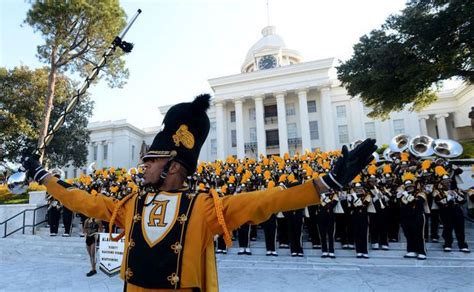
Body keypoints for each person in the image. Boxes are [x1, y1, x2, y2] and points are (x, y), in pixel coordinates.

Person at [22, 94, 377, 291]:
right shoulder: (130, 204)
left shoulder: (206, 208)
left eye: (151, 161)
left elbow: (265, 201)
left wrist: (324, 184)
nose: (143, 166)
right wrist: (45, 177)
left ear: (174, 166)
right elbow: (83, 200)